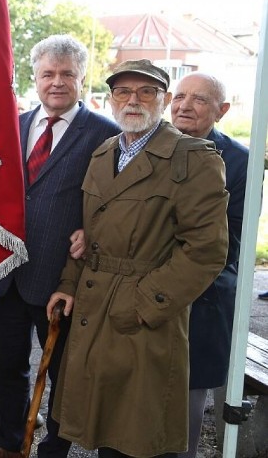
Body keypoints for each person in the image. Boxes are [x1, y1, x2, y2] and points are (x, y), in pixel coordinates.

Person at [47, 59, 229, 458]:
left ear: (163, 100)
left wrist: (145, 304)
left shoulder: (193, 158)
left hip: (144, 319)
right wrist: (67, 284)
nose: (134, 100)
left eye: (147, 91)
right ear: (110, 99)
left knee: (136, 439)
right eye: (123, 92)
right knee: (101, 430)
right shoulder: (104, 153)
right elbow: (87, 234)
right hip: (93, 311)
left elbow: (206, 250)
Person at [0, 35, 120, 458]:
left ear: (82, 77)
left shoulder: (104, 135)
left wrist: (94, 232)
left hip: (62, 279)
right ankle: (9, 439)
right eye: (48, 74)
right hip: (6, 275)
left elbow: (112, 202)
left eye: (67, 74)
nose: (57, 82)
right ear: (34, 78)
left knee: (63, 372)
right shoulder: (11, 127)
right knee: (6, 366)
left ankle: (55, 445)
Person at [171, 72, 248, 458]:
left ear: (223, 110)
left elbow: (230, 244)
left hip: (204, 295)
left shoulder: (239, 162)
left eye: (199, 99)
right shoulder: (147, 145)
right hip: (146, 291)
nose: (185, 105)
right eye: (180, 96)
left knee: (188, 399)